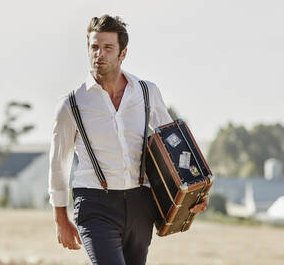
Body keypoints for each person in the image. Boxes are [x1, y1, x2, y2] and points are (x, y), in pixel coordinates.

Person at [48, 14, 208, 265]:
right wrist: (60, 218)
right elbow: (58, 164)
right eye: (94, 47)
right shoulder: (72, 104)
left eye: (108, 47)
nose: (99, 53)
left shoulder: (147, 93)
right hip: (94, 204)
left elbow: (173, 146)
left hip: (140, 204)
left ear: (123, 54)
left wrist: (195, 194)